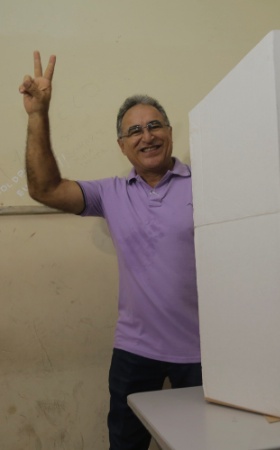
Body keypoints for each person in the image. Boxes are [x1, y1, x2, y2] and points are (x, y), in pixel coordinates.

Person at [19, 51, 202, 450]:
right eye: (134, 131)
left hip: (204, 353)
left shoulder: (208, 186)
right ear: (121, 146)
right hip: (134, 352)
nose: (147, 136)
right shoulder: (111, 193)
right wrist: (38, 116)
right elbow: (44, 189)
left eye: (155, 125)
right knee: (125, 445)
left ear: (171, 132)